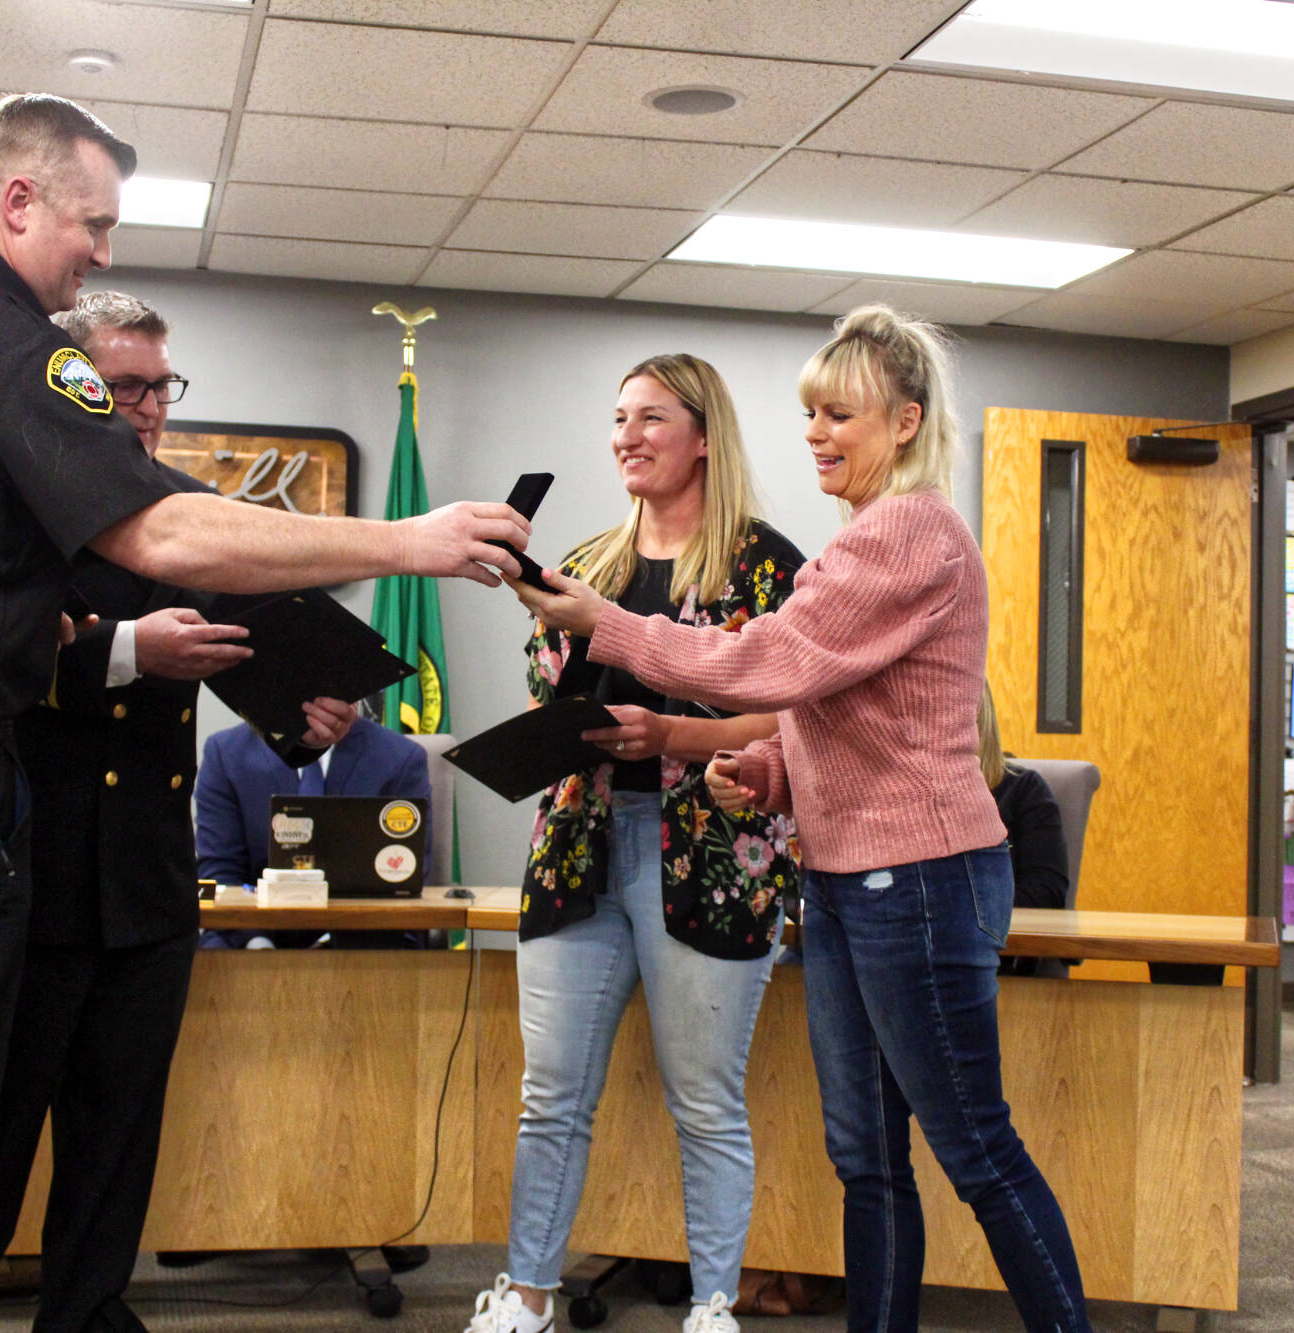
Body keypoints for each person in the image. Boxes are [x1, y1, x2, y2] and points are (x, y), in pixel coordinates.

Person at [0, 92, 528, 1333]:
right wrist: (411, 539)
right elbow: (163, 526)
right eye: (93, 222)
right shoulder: (12, 343)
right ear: (16, 200)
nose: (101, 253)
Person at [512, 307, 1092, 1333]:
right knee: (864, 1159)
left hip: (916, 877)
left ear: (906, 422)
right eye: (809, 414)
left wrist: (604, 621)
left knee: (974, 1150)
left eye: (840, 415)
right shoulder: (862, 537)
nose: (817, 432)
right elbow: (833, 711)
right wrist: (773, 772)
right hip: (846, 877)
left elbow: (765, 662)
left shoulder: (910, 530)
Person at [0, 290, 355, 1333]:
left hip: (146, 885)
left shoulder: (181, 513)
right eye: (122, 386)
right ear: (67, 387)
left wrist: (313, 713)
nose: (147, 406)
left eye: (159, 385)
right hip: (25, 878)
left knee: (116, 1133)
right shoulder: (13, 510)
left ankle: (86, 1311)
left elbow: (256, 648)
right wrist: (125, 654)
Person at [466, 355, 806, 1333]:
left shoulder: (766, 567)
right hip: (577, 849)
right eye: (617, 418)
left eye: (650, 417)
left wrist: (673, 738)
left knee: (702, 1099)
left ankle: (710, 1307)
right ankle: (525, 1292)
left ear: (703, 436)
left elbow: (791, 724)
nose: (625, 434)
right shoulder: (587, 563)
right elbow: (547, 699)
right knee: (550, 1094)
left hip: (712, 857)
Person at [195, 712, 432, 950]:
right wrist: (257, 944)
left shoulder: (401, 758)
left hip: (361, 941)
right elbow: (219, 872)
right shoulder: (227, 753)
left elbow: (404, 879)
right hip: (250, 936)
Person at [977, 681, 1070, 979]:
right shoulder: (901, 796)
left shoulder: (1022, 790)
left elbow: (1047, 893)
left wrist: (956, 911)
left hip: (997, 963)